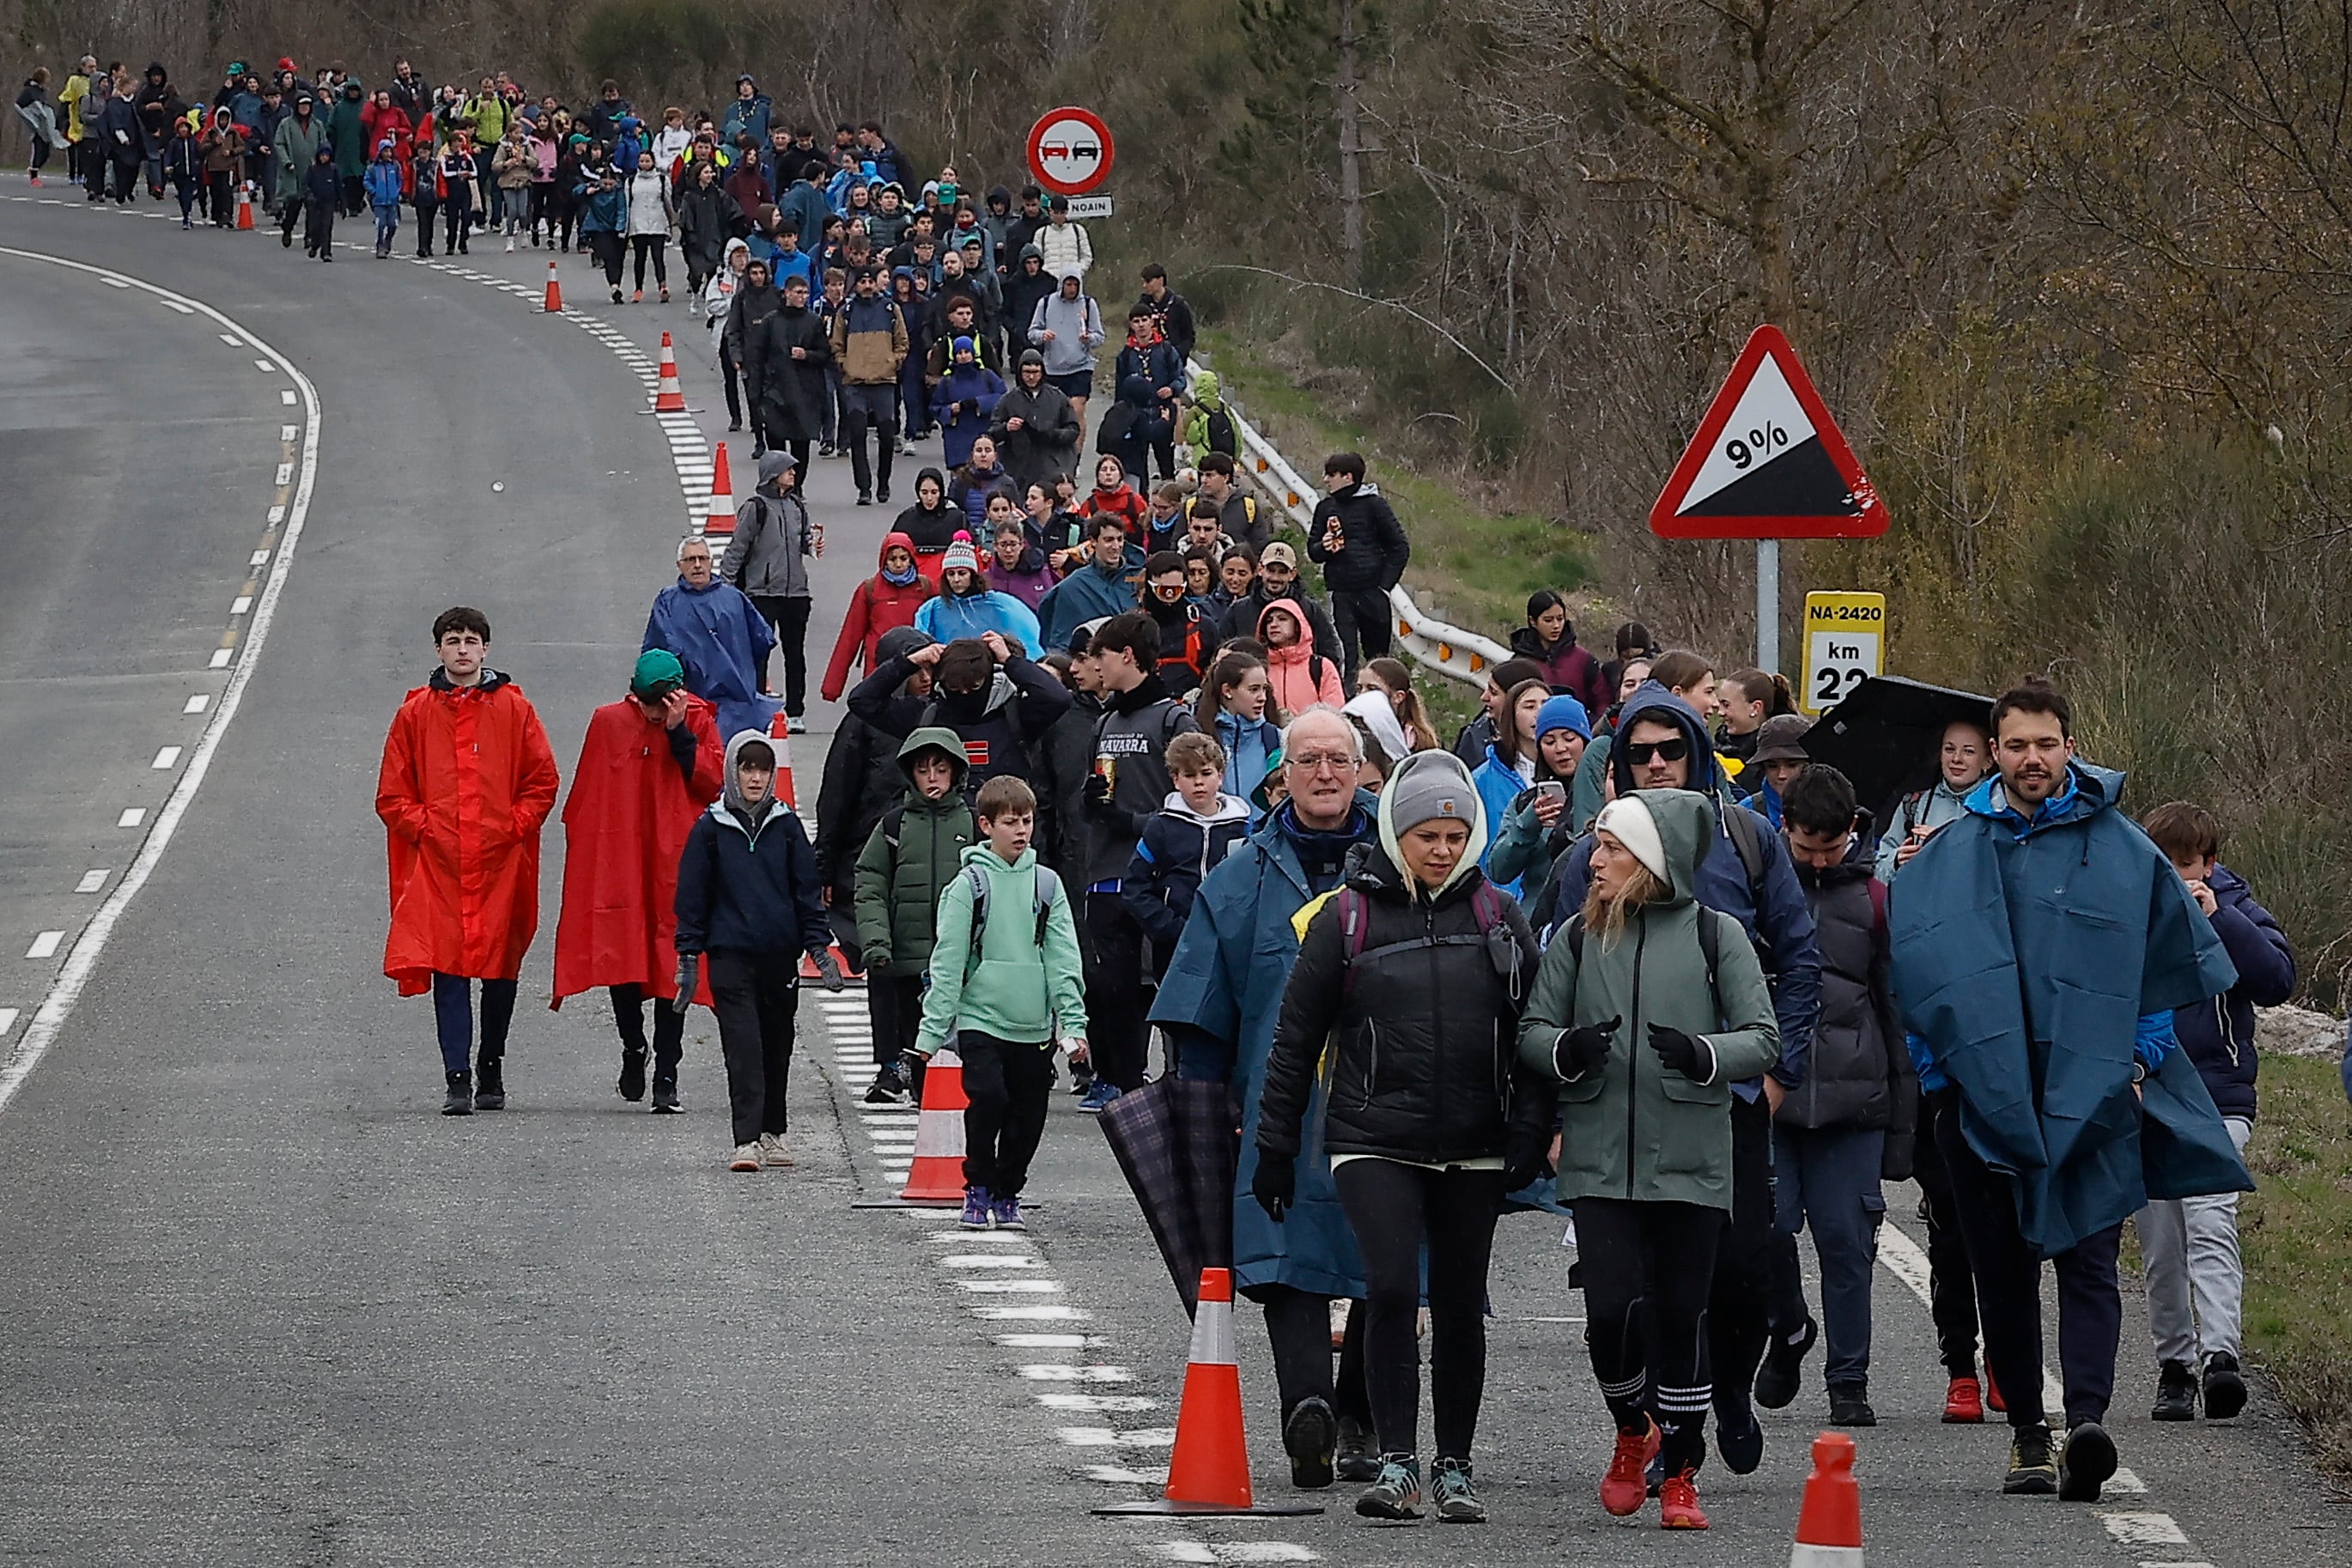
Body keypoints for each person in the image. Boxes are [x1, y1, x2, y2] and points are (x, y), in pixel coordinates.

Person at [1890, 680, 2247, 1502]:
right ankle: (2025, 1435)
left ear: (2068, 746)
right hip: (1980, 1107)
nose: (2031, 759)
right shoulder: (1949, 851)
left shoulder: (2124, 849)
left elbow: (2157, 976)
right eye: (2014, 745)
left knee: (2088, 1258)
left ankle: (2085, 1421)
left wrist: (2130, 1071)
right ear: (1994, 752)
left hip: (2095, 1100)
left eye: (2045, 743)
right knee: (2003, 1273)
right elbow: (1918, 971)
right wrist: (1945, 1079)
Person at [1540, 680, 1822, 1474]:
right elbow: (1548, 985)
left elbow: (1799, 964)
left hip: (1727, 1096)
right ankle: (1663, 1432)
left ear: (1697, 753)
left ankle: (1726, 1389)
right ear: (1619, 764)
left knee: (1738, 1270)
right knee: (1641, 1286)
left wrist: (1775, 1075)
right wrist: (1559, 1110)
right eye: (1640, 753)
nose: (1657, 764)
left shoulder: (1745, 839)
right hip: (1620, 1110)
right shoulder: (1584, 860)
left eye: (1672, 749)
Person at [1254, 749, 1541, 1523]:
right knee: (1388, 1288)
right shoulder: (1345, 917)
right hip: (1371, 1136)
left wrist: (1532, 1127)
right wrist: (1274, 1148)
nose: (1441, 849)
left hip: (1474, 1140)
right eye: (1426, 836)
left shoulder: (1499, 916)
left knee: (1455, 1301)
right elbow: (1294, 1039)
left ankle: (1455, 1466)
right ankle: (1397, 1463)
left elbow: (1536, 1030)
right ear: (1396, 834)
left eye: (1454, 835)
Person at [1517, 788, 1783, 1530]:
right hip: (1600, 1155)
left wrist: (1703, 1054)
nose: (1593, 860)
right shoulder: (1575, 936)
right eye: (1596, 846)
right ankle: (1632, 1428)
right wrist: (1565, 1050)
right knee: (1608, 1314)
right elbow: (1534, 1029)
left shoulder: (1715, 934)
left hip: (1693, 1157)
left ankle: (1682, 1477)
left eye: (1609, 848)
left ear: (1651, 861)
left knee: (1680, 1315)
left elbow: (1763, 1038)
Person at [1152, 709, 1383, 1486]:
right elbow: (1199, 1008)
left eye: (1338, 760)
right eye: (1308, 759)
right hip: (1276, 1106)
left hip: (1389, 1099)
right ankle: (1308, 1410)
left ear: (1361, 770)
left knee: (1384, 1257)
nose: (1325, 773)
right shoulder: (1240, 876)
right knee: (1287, 1258)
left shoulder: (1406, 856)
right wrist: (1209, 1108)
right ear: (1282, 773)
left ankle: (1362, 1418)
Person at [2135, 800, 2294, 1423]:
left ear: (2209, 864)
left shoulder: (2236, 909)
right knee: (2159, 1241)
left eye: (2185, 866)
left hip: (2218, 1095)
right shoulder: (2132, 913)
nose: (2174, 878)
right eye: (2163, 866)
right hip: (2149, 1093)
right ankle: (2173, 1365)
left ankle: (2219, 1356)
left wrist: (2218, 919)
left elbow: (2275, 979)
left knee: (2210, 1222)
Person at [1774, 765, 1918, 1429]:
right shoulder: (1757, 892)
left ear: (1852, 834)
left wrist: (1899, 1119)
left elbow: (1893, 1011)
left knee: (1846, 1243)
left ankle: (1848, 1379)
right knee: (1762, 1234)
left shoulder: (1875, 901)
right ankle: (1784, 1326)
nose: (1818, 860)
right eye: (1806, 849)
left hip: (1852, 1104)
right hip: (1769, 1101)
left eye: (1830, 849)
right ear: (1785, 832)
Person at [376, 608, 561, 1117]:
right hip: (441, 866)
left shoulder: (514, 710)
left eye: (471, 641)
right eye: (453, 640)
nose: (462, 649)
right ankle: (456, 1076)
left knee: (501, 966)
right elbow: (392, 795)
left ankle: (492, 1064)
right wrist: (429, 828)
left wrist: (512, 827)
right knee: (449, 969)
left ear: (485, 650)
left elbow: (542, 780)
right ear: (438, 650)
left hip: (501, 863)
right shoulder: (414, 714)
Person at [909, 775, 1087, 1230]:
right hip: (980, 1017)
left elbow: (1063, 957)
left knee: (1028, 1116)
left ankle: (1009, 1190)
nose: (1021, 831)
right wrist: (930, 1035)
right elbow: (948, 961)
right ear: (985, 826)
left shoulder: (1047, 885)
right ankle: (978, 1185)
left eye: (1026, 821)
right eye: (1010, 822)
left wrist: (1073, 1023)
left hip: (1032, 1023)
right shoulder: (968, 885)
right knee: (987, 1097)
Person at [550, 652, 725, 1112]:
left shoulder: (699, 721)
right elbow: (586, 794)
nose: (652, 713)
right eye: (647, 705)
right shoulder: (609, 723)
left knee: (676, 959)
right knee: (621, 951)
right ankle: (633, 1047)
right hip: (623, 855)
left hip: (676, 859)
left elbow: (711, 784)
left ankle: (668, 1071)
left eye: (660, 704)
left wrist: (679, 733)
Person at [674, 732, 843, 1172]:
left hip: (778, 954)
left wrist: (819, 948)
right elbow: (692, 897)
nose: (755, 777)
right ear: (733, 770)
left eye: (763, 769)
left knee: (777, 1043)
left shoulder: (786, 827)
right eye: (747, 768)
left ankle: (774, 1132)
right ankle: (745, 1139)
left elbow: (806, 891)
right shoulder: (710, 828)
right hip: (730, 955)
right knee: (743, 1045)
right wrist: (689, 957)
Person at [1070, 612, 1200, 1108]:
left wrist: (1131, 822)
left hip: (1157, 875)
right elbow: (1093, 794)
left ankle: (1170, 1077)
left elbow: (1192, 803)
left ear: (1128, 656)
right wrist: (1091, 803)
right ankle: (1117, 1076)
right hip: (1106, 873)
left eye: (1101, 655)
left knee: (1159, 981)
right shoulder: (1104, 721)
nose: (1095, 666)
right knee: (1109, 983)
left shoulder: (1173, 719)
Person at [853, 728, 977, 1108]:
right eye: (924, 770)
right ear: (911, 775)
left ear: (956, 772)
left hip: (962, 960)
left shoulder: (973, 823)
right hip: (907, 956)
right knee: (914, 1029)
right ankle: (913, 1084)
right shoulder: (894, 825)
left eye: (941, 768)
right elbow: (870, 882)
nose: (933, 778)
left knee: (961, 1035)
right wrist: (876, 940)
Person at [848, 632, 1073, 798]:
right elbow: (862, 701)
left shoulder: (1015, 713)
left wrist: (1010, 661)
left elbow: (1058, 697)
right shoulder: (926, 714)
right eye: (955, 689)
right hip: (943, 832)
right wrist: (909, 662)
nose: (965, 695)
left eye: (974, 687)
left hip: (1004, 831)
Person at [1124, 731, 1251, 975]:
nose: (1199, 782)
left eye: (1206, 773)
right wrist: (1171, 927)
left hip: (1229, 944)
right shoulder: (1161, 827)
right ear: (1175, 780)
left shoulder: (1242, 827)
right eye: (1189, 775)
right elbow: (1135, 888)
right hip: (1175, 948)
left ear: (1220, 776)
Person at [720, 453, 821, 728]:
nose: (792, 474)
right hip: (761, 594)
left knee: (795, 654)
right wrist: (725, 590)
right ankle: (758, 708)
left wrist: (812, 546)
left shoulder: (797, 506)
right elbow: (736, 551)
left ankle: (795, 712)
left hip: (797, 594)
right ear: (773, 473)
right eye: (788, 469)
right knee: (759, 654)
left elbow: (803, 542)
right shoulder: (755, 508)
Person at [642, 536, 777, 740]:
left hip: (737, 702)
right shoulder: (667, 602)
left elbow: (762, 641)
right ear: (679, 565)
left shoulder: (734, 599)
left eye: (702, 558)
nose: (697, 565)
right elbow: (657, 653)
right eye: (690, 560)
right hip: (692, 703)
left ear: (710, 562)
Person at [1307, 453, 1411, 681]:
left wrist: (1384, 585)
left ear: (1348, 477)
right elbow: (1313, 551)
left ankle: (1381, 706)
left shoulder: (1375, 505)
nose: (1326, 480)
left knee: (1379, 661)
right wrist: (1323, 547)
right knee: (1345, 657)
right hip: (1340, 592)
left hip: (1372, 592)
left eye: (1331, 474)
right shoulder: (1325, 508)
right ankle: (1346, 705)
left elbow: (1400, 546)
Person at [1486, 693, 1591, 900]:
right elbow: (1498, 871)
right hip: (1538, 921)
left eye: (1569, 738)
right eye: (1549, 741)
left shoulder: (1606, 793)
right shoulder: (1525, 802)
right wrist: (1530, 822)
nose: (1560, 749)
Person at [822, 532, 935, 703]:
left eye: (904, 558)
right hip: (879, 667)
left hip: (917, 665)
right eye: (892, 559)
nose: (898, 564)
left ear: (911, 558)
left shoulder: (925, 587)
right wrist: (832, 688)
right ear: (884, 560)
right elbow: (849, 638)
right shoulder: (869, 589)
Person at [1875, 717, 1992, 881]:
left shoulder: (2000, 808)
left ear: (1988, 760)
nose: (1957, 759)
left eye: (1969, 751)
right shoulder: (1913, 804)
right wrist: (1896, 861)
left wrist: (1945, 845)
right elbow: (1878, 869)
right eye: (1949, 749)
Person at [835, 266, 909, 506]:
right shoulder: (845, 311)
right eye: (862, 281)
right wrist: (845, 363)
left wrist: (893, 361)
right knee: (857, 435)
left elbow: (903, 342)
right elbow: (836, 344)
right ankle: (864, 487)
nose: (867, 285)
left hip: (883, 382)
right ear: (855, 285)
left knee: (887, 435)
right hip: (855, 383)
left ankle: (884, 482)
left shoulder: (890, 309)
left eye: (870, 281)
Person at [1470, 678, 1553, 889]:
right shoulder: (1482, 779)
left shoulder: (1566, 773)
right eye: (1529, 706)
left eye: (1546, 704)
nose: (1540, 712)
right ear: (1511, 716)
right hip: (1498, 893)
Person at [916, 536, 1046, 656]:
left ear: (972, 574)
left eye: (962, 573)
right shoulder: (932, 609)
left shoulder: (999, 604)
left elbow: (1026, 633)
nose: (956, 579)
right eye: (951, 574)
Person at [1036, 515, 1143, 653]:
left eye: (1120, 539)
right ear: (1093, 541)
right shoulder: (1073, 585)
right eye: (1108, 540)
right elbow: (1057, 636)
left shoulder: (1139, 578)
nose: (1116, 546)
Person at [1196, 653, 1282, 821]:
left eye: (1264, 689)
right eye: (1254, 689)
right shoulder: (1201, 736)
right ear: (1227, 691)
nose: (1262, 698)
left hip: (1262, 840)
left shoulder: (1275, 738)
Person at [1112, 307, 1185, 484]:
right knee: (1137, 465)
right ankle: (1141, 502)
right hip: (1137, 415)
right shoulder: (1126, 354)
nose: (1141, 325)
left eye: (1144, 320)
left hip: (1162, 411)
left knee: (1165, 462)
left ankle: (1168, 500)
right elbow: (1120, 389)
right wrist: (1121, 416)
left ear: (1152, 322)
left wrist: (1172, 389)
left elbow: (1180, 377)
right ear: (1131, 325)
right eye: (1137, 322)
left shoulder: (1166, 350)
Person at [991, 350, 1081, 494]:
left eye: (1035, 372)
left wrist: (1052, 435)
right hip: (1018, 467)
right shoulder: (1008, 399)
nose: (1031, 377)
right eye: (1027, 372)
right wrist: (1006, 428)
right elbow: (992, 432)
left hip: (1051, 465)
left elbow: (1073, 429)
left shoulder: (1058, 397)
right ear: (1020, 372)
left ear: (1042, 372)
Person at [1510, 589, 1609, 718]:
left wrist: (1595, 728)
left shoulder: (1583, 660)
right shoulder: (1520, 664)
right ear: (1533, 621)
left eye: (1560, 618)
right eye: (1548, 620)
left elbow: (1603, 700)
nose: (1556, 626)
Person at [1028, 269, 1104, 433]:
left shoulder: (1089, 304)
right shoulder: (1046, 303)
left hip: (1080, 366)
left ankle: (1075, 455)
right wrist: (1043, 335)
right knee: (1053, 415)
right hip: (1053, 367)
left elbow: (1099, 337)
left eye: (1076, 284)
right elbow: (1032, 333)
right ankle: (1057, 452)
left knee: (1076, 410)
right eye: (1069, 284)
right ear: (1061, 285)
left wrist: (1088, 338)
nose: (1072, 289)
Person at [1141, 551, 1220, 690]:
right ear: (1150, 586)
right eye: (1163, 590)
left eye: (1176, 590)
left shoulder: (1205, 627)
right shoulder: (1133, 628)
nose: (1170, 595)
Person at [1258, 599, 1345, 716]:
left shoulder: (1321, 666)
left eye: (1282, 619)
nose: (1273, 625)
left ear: (1298, 625)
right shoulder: (1260, 668)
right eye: (1269, 621)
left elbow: (1334, 713)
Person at [1717, 668, 1799, 774]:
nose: (1720, 712)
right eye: (1719, 704)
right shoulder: (1717, 743)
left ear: (1755, 708)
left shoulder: (1780, 752)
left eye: (1726, 705)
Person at [1741, 714, 1813, 830]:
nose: (1782, 775)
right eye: (1772, 766)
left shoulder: (1832, 808)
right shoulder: (1744, 814)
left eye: (1792, 765)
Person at [623, 147, 676, 301]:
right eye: (641, 161)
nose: (644, 164)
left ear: (653, 162)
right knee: (640, 258)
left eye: (647, 161)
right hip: (637, 223)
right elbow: (627, 204)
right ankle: (638, 288)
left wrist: (671, 221)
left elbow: (667, 201)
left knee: (658, 257)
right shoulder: (631, 181)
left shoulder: (661, 180)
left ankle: (663, 285)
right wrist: (625, 228)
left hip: (657, 222)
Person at [1356, 657, 1440, 753]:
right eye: (1359, 689)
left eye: (1373, 689)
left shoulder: (1418, 743)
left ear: (1398, 697)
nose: (1362, 695)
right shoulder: (1351, 730)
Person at [270, 91, 322, 240]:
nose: (305, 108)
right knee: (294, 205)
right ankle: (287, 228)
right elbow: (279, 144)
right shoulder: (286, 124)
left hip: (312, 172)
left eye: (307, 105)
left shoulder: (317, 125)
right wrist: (287, 162)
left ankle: (309, 235)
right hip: (294, 171)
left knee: (312, 205)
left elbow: (324, 145)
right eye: (302, 105)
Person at [1136, 262, 1198, 364]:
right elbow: (1133, 333)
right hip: (1149, 361)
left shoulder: (1178, 305)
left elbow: (1188, 337)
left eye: (1148, 281)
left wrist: (1177, 354)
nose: (1145, 285)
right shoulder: (1142, 306)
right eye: (1144, 282)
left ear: (1160, 280)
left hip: (1174, 361)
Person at [15, 69, 61, 187]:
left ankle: (33, 169)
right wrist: (31, 121)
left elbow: (43, 109)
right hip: (35, 128)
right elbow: (18, 106)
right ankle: (34, 177)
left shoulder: (42, 91)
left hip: (44, 127)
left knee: (46, 153)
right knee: (38, 149)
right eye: (47, 77)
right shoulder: (29, 91)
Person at [1036, 192, 1093, 278]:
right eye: (1056, 212)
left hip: (1072, 281)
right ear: (1050, 211)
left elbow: (1087, 256)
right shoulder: (1041, 233)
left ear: (1067, 212)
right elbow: (1036, 259)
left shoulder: (1078, 230)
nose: (1059, 216)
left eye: (1062, 213)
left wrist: (1078, 271)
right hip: (1049, 282)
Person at [365, 138, 405, 257]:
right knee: (381, 224)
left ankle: (388, 240)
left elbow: (400, 180)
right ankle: (380, 245)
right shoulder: (373, 168)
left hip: (392, 201)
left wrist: (397, 192)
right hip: (379, 201)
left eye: (390, 151)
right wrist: (374, 191)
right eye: (385, 151)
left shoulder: (395, 166)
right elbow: (367, 181)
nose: (388, 154)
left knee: (393, 224)